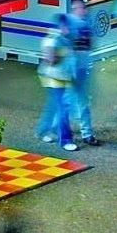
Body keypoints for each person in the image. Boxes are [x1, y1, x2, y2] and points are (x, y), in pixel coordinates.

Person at [35, 16, 78, 152]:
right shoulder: (53, 39)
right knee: (63, 109)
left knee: (53, 106)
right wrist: (58, 54)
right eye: (66, 27)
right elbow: (50, 59)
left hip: (61, 78)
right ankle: (65, 140)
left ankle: (42, 131)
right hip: (54, 79)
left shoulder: (65, 39)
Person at [67, 0, 101, 145]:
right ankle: (86, 134)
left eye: (82, 8)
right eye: (78, 8)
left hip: (79, 69)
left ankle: (61, 128)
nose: (82, 10)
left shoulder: (81, 25)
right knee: (80, 101)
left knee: (72, 100)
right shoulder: (76, 25)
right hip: (74, 69)